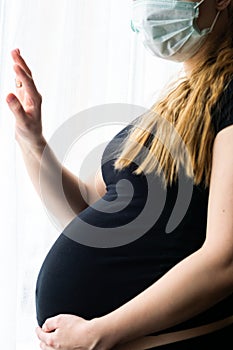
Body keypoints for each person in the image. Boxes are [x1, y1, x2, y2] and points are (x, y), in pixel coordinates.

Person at [6, 0, 233, 349]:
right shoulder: (175, 106)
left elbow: (225, 263)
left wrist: (98, 333)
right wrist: (31, 139)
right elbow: (85, 208)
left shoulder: (229, 98)